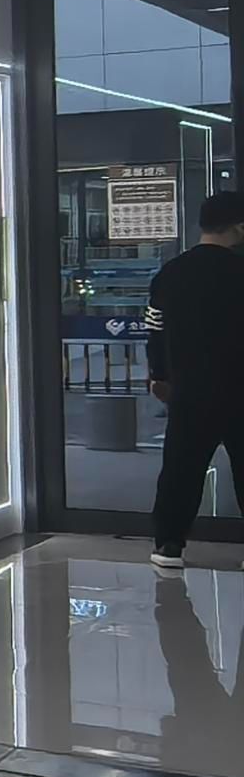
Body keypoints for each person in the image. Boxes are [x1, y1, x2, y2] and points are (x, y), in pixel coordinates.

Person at [146, 188, 244, 567]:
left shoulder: (171, 273)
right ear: (238, 227)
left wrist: (159, 375)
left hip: (190, 390)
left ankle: (169, 545)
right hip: (239, 389)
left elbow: (155, 328)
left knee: (181, 469)